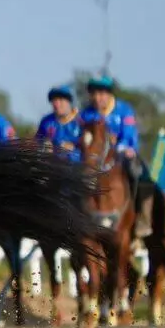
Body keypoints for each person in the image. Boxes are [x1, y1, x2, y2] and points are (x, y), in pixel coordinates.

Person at [80, 75, 152, 237]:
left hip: (120, 156)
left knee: (140, 173)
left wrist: (122, 147)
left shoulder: (124, 110)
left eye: (102, 93)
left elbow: (129, 135)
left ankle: (143, 218)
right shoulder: (86, 114)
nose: (98, 98)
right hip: (93, 160)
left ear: (109, 94)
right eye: (94, 94)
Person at [35, 85, 82, 162]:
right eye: (54, 100)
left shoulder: (82, 121)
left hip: (77, 167)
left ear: (69, 101)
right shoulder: (46, 122)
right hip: (53, 167)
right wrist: (44, 146)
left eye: (60, 100)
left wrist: (74, 148)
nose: (57, 104)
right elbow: (37, 142)